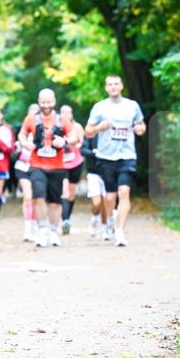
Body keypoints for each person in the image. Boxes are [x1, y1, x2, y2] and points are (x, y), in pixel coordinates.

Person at [85, 75, 146, 247]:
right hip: (106, 157)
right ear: (106, 88)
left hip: (127, 156)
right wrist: (99, 127)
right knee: (110, 196)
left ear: (121, 86)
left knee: (124, 192)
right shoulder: (99, 107)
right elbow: (88, 131)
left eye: (116, 84)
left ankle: (120, 232)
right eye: (110, 84)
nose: (113, 87)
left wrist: (139, 129)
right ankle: (110, 220)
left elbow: (141, 126)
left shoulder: (132, 106)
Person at [19, 89, 82, 247]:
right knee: (38, 197)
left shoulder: (62, 120)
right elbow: (21, 135)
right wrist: (26, 144)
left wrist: (64, 141)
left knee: (55, 202)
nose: (46, 105)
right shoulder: (31, 118)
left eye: (49, 102)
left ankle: (53, 232)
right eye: (43, 102)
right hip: (37, 165)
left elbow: (75, 137)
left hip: (57, 167)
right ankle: (41, 231)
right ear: (39, 102)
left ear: (54, 102)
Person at [58, 105, 85, 234]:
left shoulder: (77, 127)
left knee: (71, 194)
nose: (65, 114)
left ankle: (68, 219)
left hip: (75, 163)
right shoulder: (57, 127)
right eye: (63, 112)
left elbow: (81, 143)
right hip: (61, 164)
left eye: (68, 112)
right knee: (64, 192)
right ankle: (64, 221)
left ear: (72, 114)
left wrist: (71, 144)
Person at [15, 103, 39, 241]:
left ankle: (36, 225)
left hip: (37, 167)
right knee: (28, 197)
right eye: (31, 112)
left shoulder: (44, 130)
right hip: (22, 167)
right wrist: (18, 148)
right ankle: (28, 229)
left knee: (37, 198)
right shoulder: (22, 130)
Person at [80, 132, 108, 238]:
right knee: (97, 202)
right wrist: (94, 153)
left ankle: (105, 229)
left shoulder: (111, 133)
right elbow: (83, 150)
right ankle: (95, 218)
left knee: (106, 201)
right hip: (93, 173)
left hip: (107, 172)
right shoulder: (90, 133)